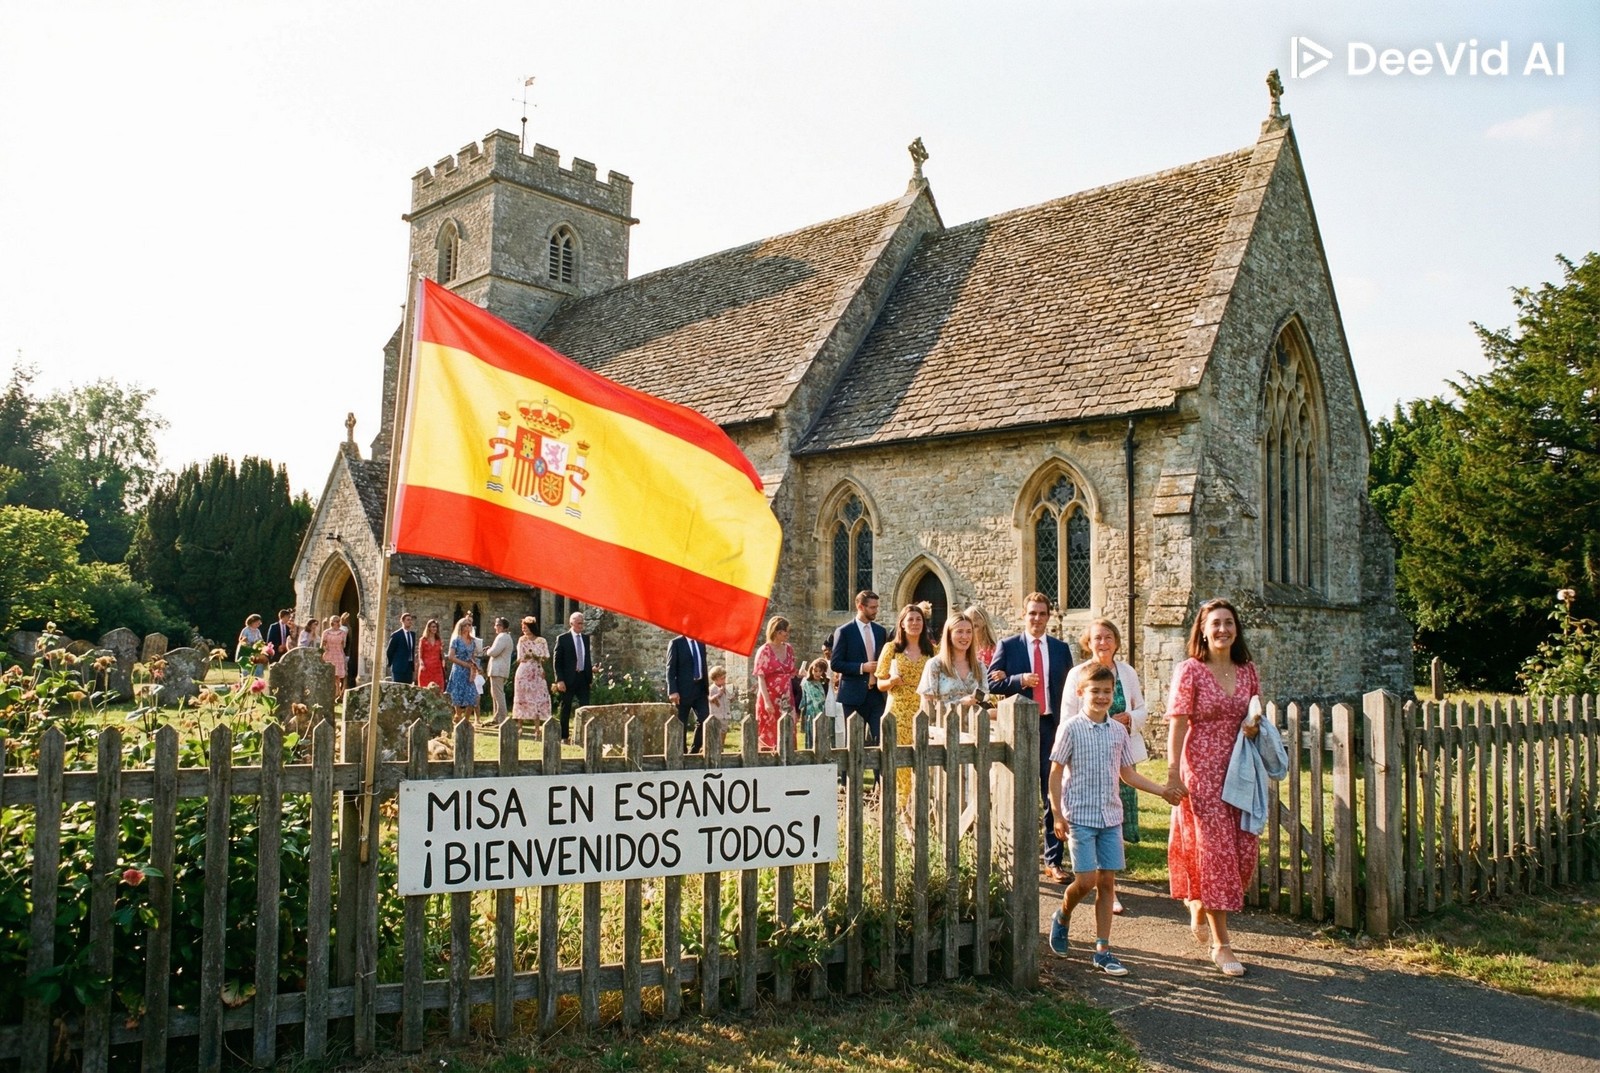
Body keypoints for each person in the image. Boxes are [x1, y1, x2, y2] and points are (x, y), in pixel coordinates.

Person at [1046, 663, 1185, 974]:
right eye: (1095, 691)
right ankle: (1063, 915)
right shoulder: (1070, 728)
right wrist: (1057, 813)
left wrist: (1161, 790)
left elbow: (1127, 773)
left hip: (1111, 816)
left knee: (1107, 881)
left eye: (1107, 692)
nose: (1101, 697)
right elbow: (1055, 773)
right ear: (1081, 693)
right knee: (1085, 881)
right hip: (1080, 816)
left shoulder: (1118, 731)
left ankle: (1103, 949)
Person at [1164, 597, 1262, 978]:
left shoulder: (1248, 670)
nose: (1222, 629)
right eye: (1215, 623)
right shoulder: (1190, 670)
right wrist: (1173, 773)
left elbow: (1256, 713)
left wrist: (1253, 725)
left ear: (1236, 629)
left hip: (1240, 770)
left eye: (1228, 623)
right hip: (1201, 770)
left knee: (1242, 850)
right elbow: (1178, 724)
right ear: (1202, 630)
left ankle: (1199, 902)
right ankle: (1222, 945)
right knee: (1217, 851)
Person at [1061, 618, 1147, 915]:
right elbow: (1068, 716)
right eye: (1097, 637)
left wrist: (1128, 720)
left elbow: (1141, 707)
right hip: (1085, 758)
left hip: (1118, 750)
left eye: (1108, 637)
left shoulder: (1127, 672)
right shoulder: (1077, 674)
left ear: (1116, 640)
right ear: (1088, 642)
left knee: (1114, 819)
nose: (1103, 642)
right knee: (1091, 821)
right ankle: (1098, 886)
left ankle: (1110, 887)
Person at [989, 592, 1073, 883]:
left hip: (1052, 727)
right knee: (1020, 794)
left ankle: (1053, 861)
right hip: (1020, 728)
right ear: (1023, 615)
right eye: (1032, 613)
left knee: (1052, 794)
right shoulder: (1008, 646)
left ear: (1048, 617)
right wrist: (1019, 680)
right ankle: (1018, 860)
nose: (1036, 619)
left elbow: (1070, 689)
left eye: (1042, 614)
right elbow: (992, 682)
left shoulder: (1061, 649)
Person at [877, 603, 932, 803]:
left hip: (923, 710)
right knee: (899, 761)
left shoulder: (932, 650)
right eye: (910, 619)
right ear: (902, 624)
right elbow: (879, 683)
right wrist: (890, 681)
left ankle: (921, 803)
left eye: (919, 619)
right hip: (898, 711)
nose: (915, 623)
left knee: (923, 758)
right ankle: (900, 806)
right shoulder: (891, 649)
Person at [830, 590, 888, 745]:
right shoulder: (844, 632)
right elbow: (835, 663)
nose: (876, 611)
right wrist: (862, 667)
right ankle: (850, 771)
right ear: (860, 607)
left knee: (880, 740)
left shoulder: (880, 631)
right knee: (854, 743)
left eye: (877, 607)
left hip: (877, 695)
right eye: (872, 607)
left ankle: (880, 771)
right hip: (853, 696)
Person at [752, 615, 797, 751]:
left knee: (788, 728)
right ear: (776, 632)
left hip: (786, 696)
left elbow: (791, 671)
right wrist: (766, 701)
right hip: (769, 696)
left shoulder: (789, 648)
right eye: (785, 631)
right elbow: (761, 677)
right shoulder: (764, 650)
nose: (787, 634)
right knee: (768, 731)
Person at [552, 611, 593, 741]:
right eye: (579, 623)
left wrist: (590, 675)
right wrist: (559, 680)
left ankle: (583, 735)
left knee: (585, 706)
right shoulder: (563, 638)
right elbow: (557, 661)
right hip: (568, 678)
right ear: (571, 623)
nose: (581, 626)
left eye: (582, 623)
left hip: (583, 677)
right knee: (566, 707)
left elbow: (587, 658)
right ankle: (564, 736)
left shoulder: (585, 638)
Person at [667, 634, 711, 752]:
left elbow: (703, 665)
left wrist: (707, 688)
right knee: (682, 722)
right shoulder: (676, 643)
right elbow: (670, 669)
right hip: (683, 690)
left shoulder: (701, 642)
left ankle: (695, 750)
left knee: (705, 718)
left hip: (700, 689)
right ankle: (682, 752)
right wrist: (673, 690)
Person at [511, 616, 552, 725]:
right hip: (524, 671)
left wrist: (538, 656)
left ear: (531, 627)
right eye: (522, 628)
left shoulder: (541, 641)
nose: (523, 629)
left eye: (525, 627)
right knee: (521, 697)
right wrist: (528, 656)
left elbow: (546, 656)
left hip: (537, 671)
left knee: (537, 697)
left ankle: (537, 727)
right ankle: (519, 724)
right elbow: (519, 657)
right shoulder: (522, 640)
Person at [443, 616, 481, 722]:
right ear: (461, 627)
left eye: (470, 625)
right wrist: (464, 664)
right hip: (459, 670)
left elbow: (473, 656)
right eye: (466, 625)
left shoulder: (473, 641)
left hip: (469, 671)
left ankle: (466, 720)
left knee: (472, 695)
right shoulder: (456, 640)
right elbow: (451, 656)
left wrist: (476, 666)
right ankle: (458, 715)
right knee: (457, 694)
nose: (469, 626)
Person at [483, 617, 514, 723]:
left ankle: (502, 718)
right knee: (495, 693)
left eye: (497, 625)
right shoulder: (505, 637)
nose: (495, 627)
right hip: (499, 669)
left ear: (502, 626)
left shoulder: (502, 637)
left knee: (498, 694)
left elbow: (494, 652)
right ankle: (497, 717)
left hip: (498, 669)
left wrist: (488, 651)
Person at [799, 658, 829, 750]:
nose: (817, 673)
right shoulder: (806, 682)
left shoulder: (825, 682)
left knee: (822, 735)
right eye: (815, 671)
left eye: (820, 671)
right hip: (810, 712)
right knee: (811, 735)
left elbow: (826, 697)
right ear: (811, 670)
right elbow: (803, 697)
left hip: (822, 711)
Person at [962, 604, 1000, 671]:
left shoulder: (994, 651)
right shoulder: (961, 649)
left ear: (984, 621)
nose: (973, 622)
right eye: (969, 619)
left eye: (976, 618)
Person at [385, 612, 418, 684]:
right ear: (402, 621)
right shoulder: (396, 635)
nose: (410, 622)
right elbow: (389, 651)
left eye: (411, 620)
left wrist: (413, 668)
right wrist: (393, 662)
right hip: (398, 668)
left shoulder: (412, 635)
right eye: (408, 620)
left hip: (409, 668)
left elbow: (412, 650)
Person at [321, 615, 348, 702]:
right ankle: (329, 692)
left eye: (338, 621)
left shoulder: (342, 633)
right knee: (330, 675)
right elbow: (322, 645)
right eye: (336, 621)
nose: (337, 623)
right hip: (329, 654)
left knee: (338, 676)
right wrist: (326, 649)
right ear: (332, 622)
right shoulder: (326, 632)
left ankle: (338, 693)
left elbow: (343, 645)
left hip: (338, 654)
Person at [417, 618, 445, 691]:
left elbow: (441, 655)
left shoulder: (439, 640)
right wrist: (421, 664)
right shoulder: (423, 640)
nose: (434, 628)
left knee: (439, 690)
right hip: (426, 668)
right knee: (424, 689)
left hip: (437, 669)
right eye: (433, 627)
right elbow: (420, 655)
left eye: (436, 627)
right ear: (428, 628)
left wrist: (443, 661)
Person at [236, 614, 266, 680]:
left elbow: (261, 640)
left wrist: (260, 643)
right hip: (246, 652)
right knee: (247, 670)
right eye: (258, 622)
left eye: (259, 623)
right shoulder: (245, 630)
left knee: (258, 669)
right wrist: (247, 642)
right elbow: (241, 640)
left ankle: (258, 682)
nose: (259, 624)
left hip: (255, 653)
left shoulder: (258, 631)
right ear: (252, 622)